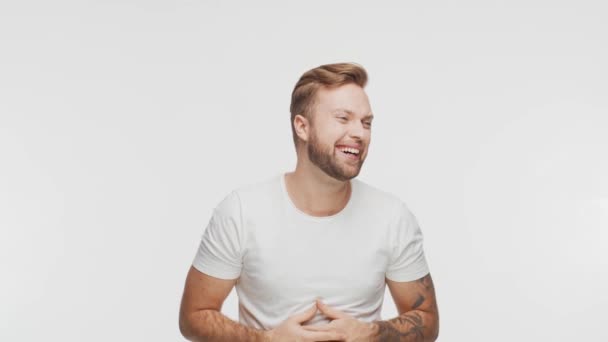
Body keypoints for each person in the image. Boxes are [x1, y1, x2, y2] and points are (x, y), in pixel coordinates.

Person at [179, 62, 439, 341]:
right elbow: (193, 316)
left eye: (366, 123)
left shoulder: (392, 216)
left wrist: (373, 333)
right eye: (343, 118)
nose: (360, 133)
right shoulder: (242, 211)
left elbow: (427, 320)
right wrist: (265, 340)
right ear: (302, 126)